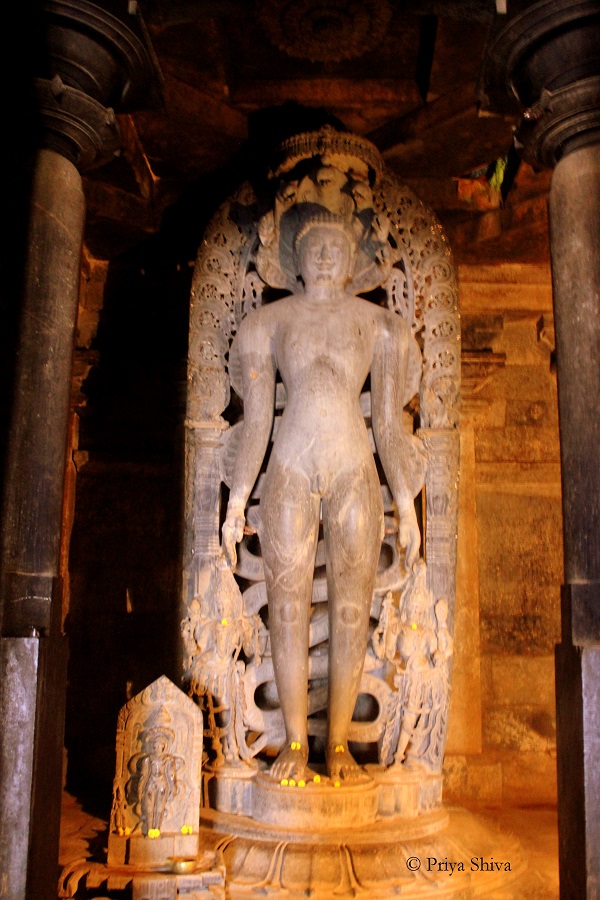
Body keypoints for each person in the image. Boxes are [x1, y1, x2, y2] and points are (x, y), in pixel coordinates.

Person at [222, 211, 422, 784]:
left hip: (354, 471)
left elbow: (388, 424)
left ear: (355, 261)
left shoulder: (378, 326)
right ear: (295, 259)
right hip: (288, 468)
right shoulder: (269, 323)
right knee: (286, 609)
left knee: (352, 608)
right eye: (315, 246)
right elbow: (257, 423)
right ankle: (291, 743)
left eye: (337, 245)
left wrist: (405, 506)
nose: (327, 255)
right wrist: (237, 504)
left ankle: (335, 746)